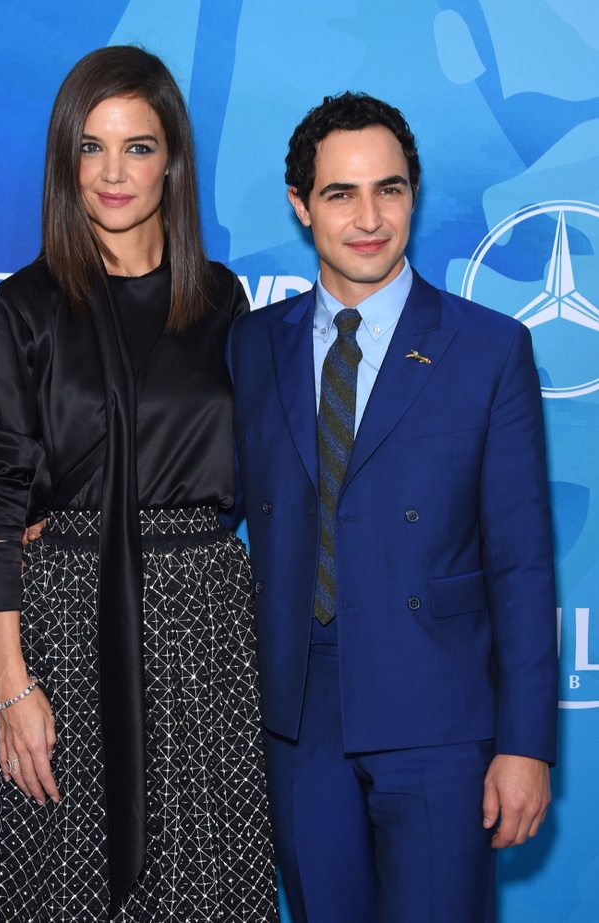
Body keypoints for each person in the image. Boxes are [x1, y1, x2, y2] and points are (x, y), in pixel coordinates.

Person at [227, 92, 558, 923]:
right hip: (299, 720)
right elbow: (196, 484)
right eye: (341, 193)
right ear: (302, 205)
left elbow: (521, 562)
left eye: (391, 189)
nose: (369, 218)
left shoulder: (488, 348)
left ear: (414, 193)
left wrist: (525, 743)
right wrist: (68, 509)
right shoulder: (250, 346)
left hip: (439, 717)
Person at [0, 45, 278, 923]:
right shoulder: (23, 307)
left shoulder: (222, 299)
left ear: (172, 157)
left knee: (209, 882)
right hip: (65, 627)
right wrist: (11, 686)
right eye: (91, 148)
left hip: (206, 625)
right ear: (66, 160)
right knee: (61, 886)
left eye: (137, 147)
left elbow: (257, 465)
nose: (114, 173)